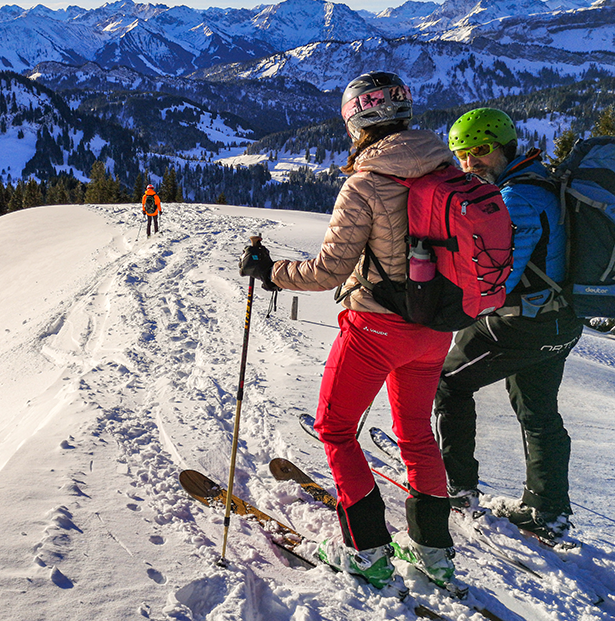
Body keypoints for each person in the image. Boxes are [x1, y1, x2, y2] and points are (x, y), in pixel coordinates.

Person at [240, 72, 458, 592]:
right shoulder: (448, 170)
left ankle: (368, 552)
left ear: (356, 118)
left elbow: (328, 271)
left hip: (376, 329)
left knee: (336, 429)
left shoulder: (366, 181)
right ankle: (434, 551)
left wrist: (270, 272)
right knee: (416, 435)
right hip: (436, 330)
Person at [434, 108, 582, 541]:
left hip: (520, 324)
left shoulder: (516, 198)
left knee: (449, 382)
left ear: (504, 146)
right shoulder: (543, 180)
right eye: (461, 154)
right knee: (538, 412)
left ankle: (457, 489)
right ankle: (548, 511)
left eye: (480, 150)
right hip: (560, 323)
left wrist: (439, 305)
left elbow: (495, 282)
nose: (469, 162)